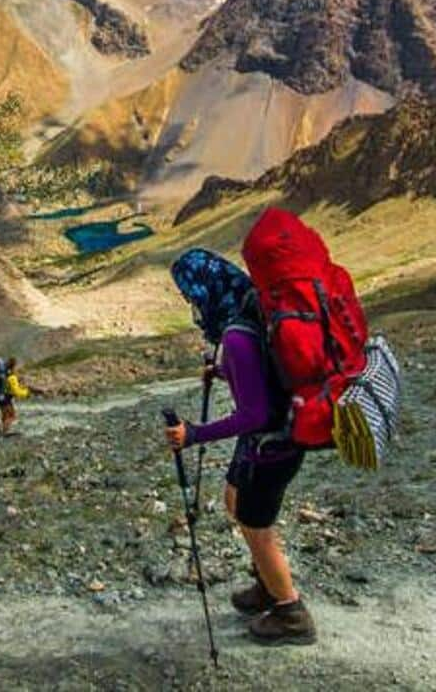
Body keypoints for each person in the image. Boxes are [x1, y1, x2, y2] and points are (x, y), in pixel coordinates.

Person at [163, 248, 316, 647]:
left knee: (255, 523)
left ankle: (290, 612)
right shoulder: (250, 313)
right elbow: (260, 373)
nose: (194, 305)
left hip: (271, 443)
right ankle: (267, 583)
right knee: (235, 500)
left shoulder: (236, 335)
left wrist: (194, 434)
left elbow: (252, 413)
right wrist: (223, 370)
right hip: (277, 435)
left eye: (192, 296)